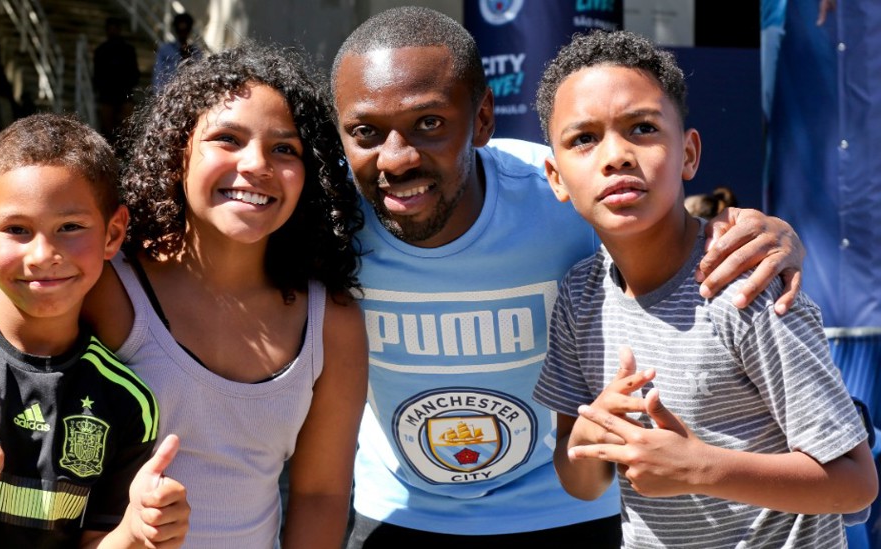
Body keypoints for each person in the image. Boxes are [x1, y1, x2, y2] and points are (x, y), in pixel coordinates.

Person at [330, 6, 806, 547]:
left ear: (483, 118)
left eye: (430, 123)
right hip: (397, 512)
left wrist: (766, 232)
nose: (396, 158)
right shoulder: (329, 215)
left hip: (570, 510)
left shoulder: (556, 193)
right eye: (366, 131)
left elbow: (667, 227)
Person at [0, 43, 367, 548]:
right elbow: (9, 323)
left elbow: (321, 493)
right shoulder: (108, 278)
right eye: (227, 138)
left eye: (286, 149)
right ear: (179, 151)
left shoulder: (331, 320)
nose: (256, 163)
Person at [532, 30, 876, 548]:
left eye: (642, 128)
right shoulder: (581, 297)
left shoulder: (749, 286)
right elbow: (581, 481)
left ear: (689, 153)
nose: (616, 155)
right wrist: (589, 436)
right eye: (584, 139)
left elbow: (855, 483)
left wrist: (701, 469)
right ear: (556, 177)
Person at [0, 113, 189, 548]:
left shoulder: (127, 400)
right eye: (17, 229)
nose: (43, 254)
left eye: (70, 228)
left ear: (114, 233)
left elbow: (97, 539)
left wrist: (134, 533)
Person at [93, 17, 140, 143]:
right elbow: (97, 75)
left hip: (124, 93)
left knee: (128, 125)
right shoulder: (101, 51)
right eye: (110, 29)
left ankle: (126, 146)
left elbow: (134, 73)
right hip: (107, 94)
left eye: (115, 29)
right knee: (107, 126)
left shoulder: (128, 50)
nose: (113, 31)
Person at [151, 12, 199, 94]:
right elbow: (158, 73)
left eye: (186, 30)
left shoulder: (196, 51)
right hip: (169, 93)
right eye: (180, 30)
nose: (183, 33)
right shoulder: (165, 49)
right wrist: (159, 94)